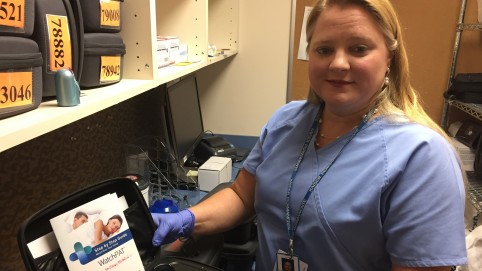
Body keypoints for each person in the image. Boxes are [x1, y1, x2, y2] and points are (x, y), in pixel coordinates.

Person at [151, 0, 468, 270]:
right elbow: (242, 196)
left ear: (389, 58)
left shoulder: (422, 157)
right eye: (324, 49)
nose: (338, 63)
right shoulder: (286, 122)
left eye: (359, 48)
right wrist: (185, 219)